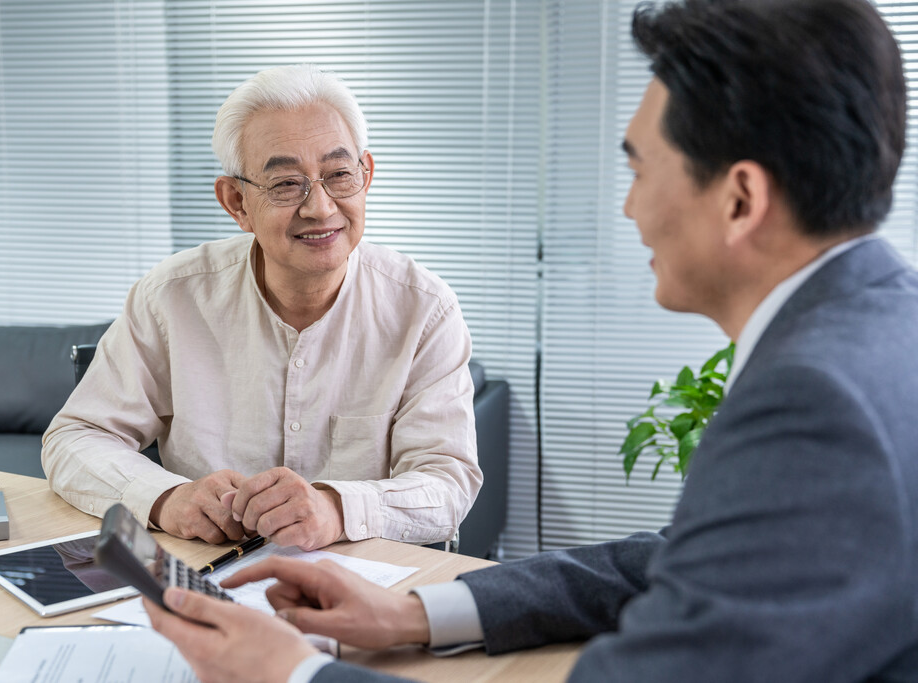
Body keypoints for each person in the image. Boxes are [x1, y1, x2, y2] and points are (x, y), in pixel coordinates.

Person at [142, 0, 918, 681]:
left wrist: (293, 673)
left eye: (640, 169)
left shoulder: (815, 398)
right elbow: (677, 558)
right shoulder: (874, 329)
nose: (628, 210)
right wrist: (416, 611)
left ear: (741, 197)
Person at [42, 64, 482, 551]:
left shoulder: (424, 310)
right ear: (236, 202)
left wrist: (336, 509)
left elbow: (448, 482)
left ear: (366, 175)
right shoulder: (172, 296)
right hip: (207, 577)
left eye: (339, 175)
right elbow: (75, 438)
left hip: (362, 589)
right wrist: (167, 498)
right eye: (287, 184)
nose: (320, 208)